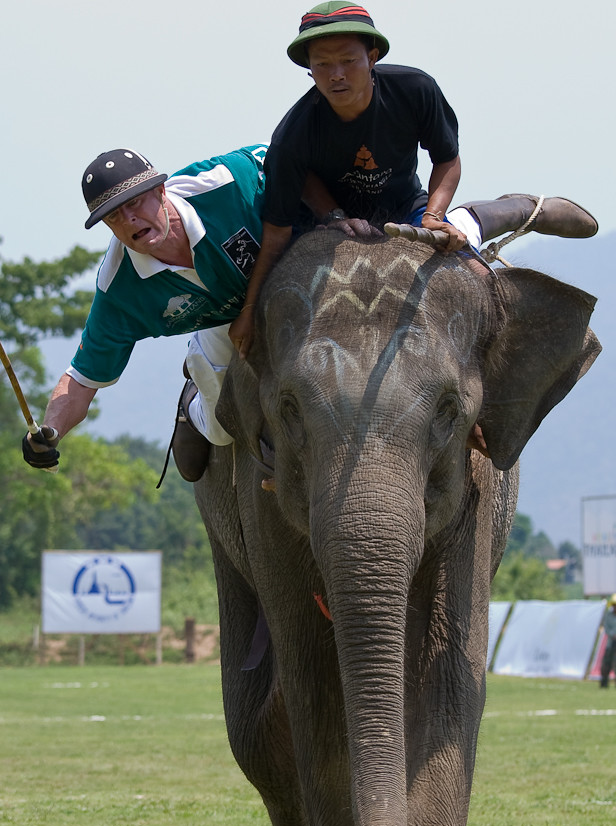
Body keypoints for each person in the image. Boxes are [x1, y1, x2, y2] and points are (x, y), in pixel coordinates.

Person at [229, 1, 598, 359]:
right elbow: (277, 230)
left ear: (372, 58)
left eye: (347, 60)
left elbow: (447, 158)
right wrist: (249, 309)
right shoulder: (293, 135)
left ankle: (519, 210)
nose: (336, 74)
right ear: (309, 71)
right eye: (322, 64)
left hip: (406, 207)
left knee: (478, 282)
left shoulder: (414, 90)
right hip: (323, 227)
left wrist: (434, 216)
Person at [22, 145, 269, 481]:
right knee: (221, 430)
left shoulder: (228, 182)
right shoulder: (119, 291)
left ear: (160, 190)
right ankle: (192, 409)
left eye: (134, 202)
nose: (129, 221)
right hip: (222, 326)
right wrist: (48, 432)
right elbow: (81, 379)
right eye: (113, 216)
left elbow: (294, 152)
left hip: (288, 282)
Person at [600, 595, 616, 688]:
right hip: (610, 643)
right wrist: (613, 634)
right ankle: (604, 684)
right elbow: (606, 628)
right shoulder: (608, 615)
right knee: (606, 664)